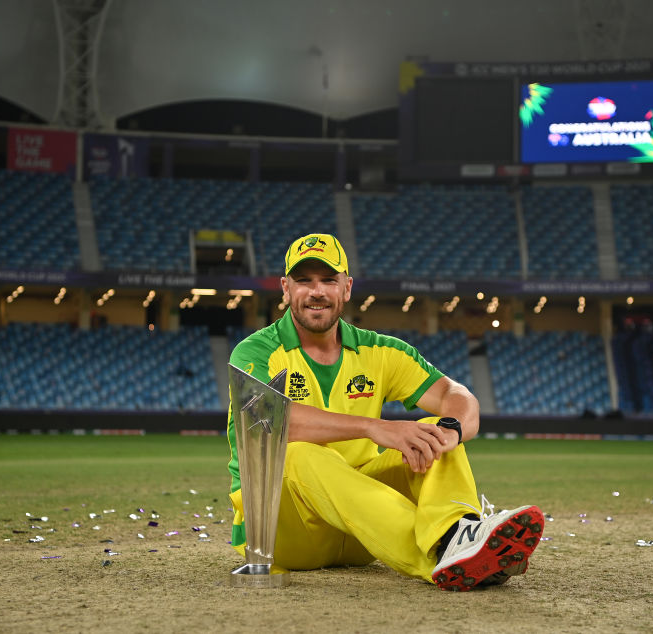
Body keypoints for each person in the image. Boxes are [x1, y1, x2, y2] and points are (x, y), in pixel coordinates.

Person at [226, 233, 544, 591]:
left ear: (346, 288)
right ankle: (444, 555)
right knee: (296, 454)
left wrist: (450, 430)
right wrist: (373, 427)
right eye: (304, 281)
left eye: (329, 280)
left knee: (429, 431)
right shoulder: (254, 352)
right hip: (284, 534)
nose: (316, 291)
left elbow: (458, 395)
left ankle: (457, 532)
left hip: (363, 534)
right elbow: (267, 422)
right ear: (285, 289)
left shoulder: (379, 350)